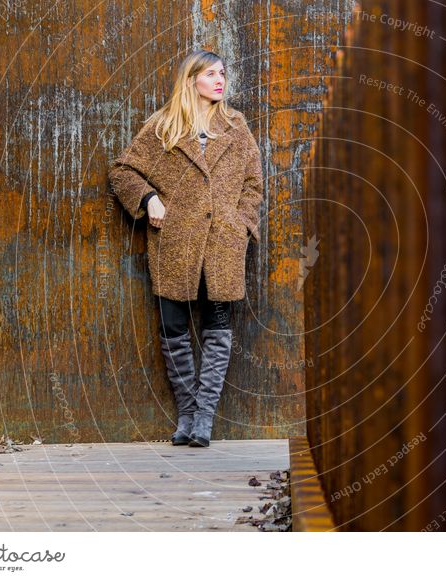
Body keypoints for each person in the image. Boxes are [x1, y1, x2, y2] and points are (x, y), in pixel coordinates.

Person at [108, 49, 264, 447]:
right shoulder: (162, 127)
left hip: (222, 245)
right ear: (190, 79)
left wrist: (241, 224)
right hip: (173, 242)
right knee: (173, 327)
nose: (219, 80)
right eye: (210, 73)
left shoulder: (235, 126)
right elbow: (122, 170)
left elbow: (253, 184)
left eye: (223, 73)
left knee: (217, 327)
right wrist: (147, 199)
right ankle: (187, 414)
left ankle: (204, 419)